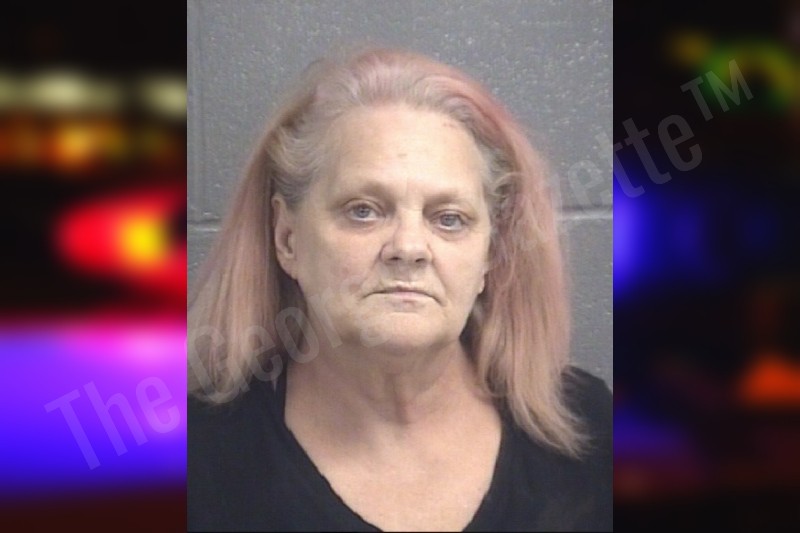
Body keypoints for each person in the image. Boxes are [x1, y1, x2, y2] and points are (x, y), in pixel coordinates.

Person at [187, 47, 612, 532]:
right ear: (288, 239)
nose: (408, 248)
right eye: (363, 211)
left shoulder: (595, 435)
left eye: (449, 219)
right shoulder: (194, 463)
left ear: (489, 256)